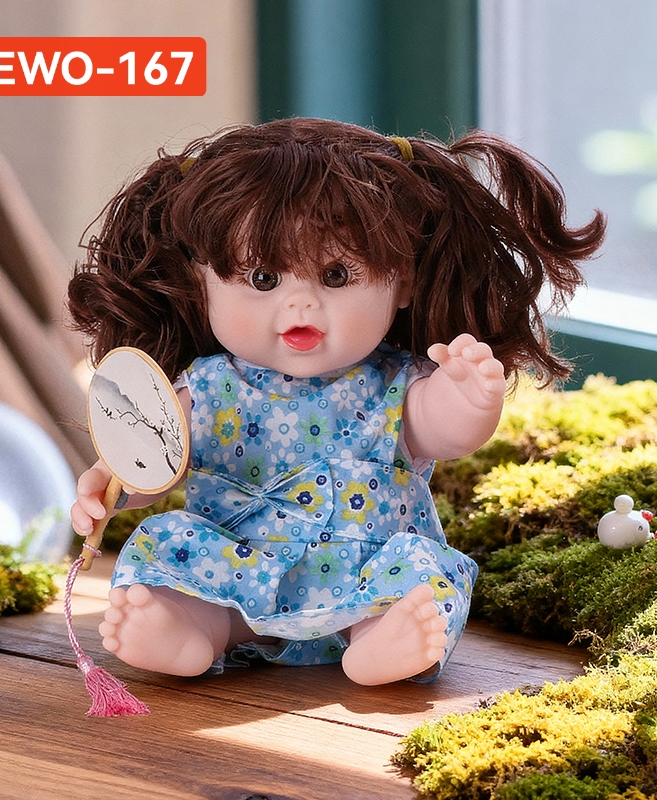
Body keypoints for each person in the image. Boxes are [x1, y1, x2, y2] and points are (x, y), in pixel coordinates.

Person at [68, 118, 605, 686]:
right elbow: (156, 459)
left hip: (366, 575)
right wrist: (113, 484)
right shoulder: (202, 388)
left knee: (423, 572)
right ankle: (194, 626)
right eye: (264, 278)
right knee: (169, 546)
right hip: (236, 570)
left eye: (336, 274)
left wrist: (469, 398)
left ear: (402, 282)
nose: (300, 303)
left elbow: (441, 431)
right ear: (201, 283)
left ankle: (382, 638)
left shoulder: (396, 382)